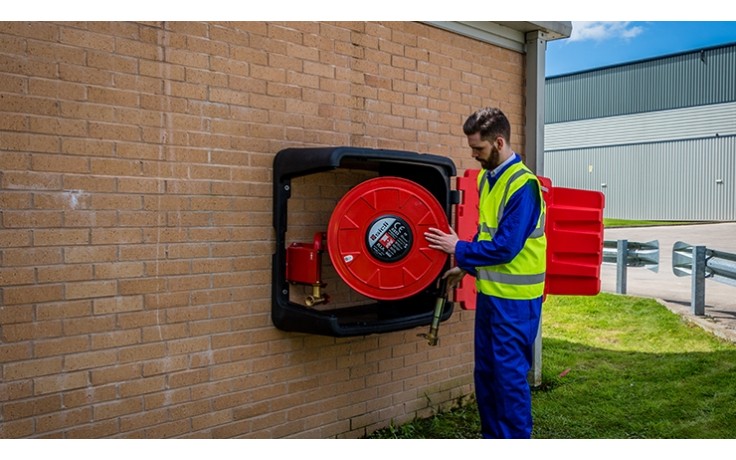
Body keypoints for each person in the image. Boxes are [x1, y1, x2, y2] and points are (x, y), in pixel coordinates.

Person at [424, 107, 547, 439]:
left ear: (499, 142)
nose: (474, 155)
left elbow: (506, 247)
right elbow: (486, 235)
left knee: (507, 381)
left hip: (517, 304)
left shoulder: (523, 186)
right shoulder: (488, 179)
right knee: (488, 376)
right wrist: (464, 267)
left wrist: (458, 248)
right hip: (492, 298)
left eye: (478, 149)